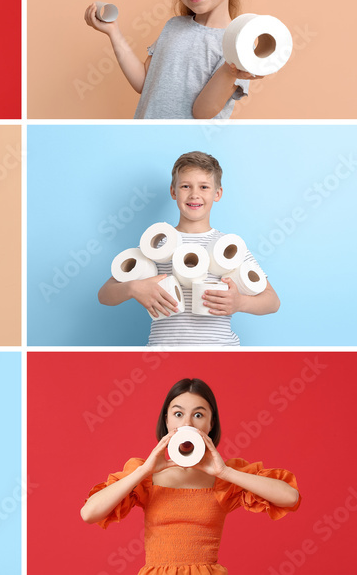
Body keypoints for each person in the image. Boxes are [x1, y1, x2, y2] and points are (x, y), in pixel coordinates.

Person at [81, 378, 300, 574]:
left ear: (210, 423)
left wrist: (224, 472)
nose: (187, 424)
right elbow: (89, 513)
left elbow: (289, 497)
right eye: (178, 414)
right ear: (166, 420)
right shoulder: (147, 477)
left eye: (198, 415)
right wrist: (143, 471)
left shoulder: (224, 478)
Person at [98, 151, 279, 345]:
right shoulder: (156, 244)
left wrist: (240, 303)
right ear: (173, 191)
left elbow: (272, 301)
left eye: (204, 187)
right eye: (186, 186)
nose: (194, 194)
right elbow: (105, 294)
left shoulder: (229, 247)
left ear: (217, 193)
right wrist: (133, 288)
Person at [85, 0, 263, 119]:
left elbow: (202, 112)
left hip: (186, 145)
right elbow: (144, 84)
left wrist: (230, 71)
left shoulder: (236, 45)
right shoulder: (174, 26)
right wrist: (113, 32)